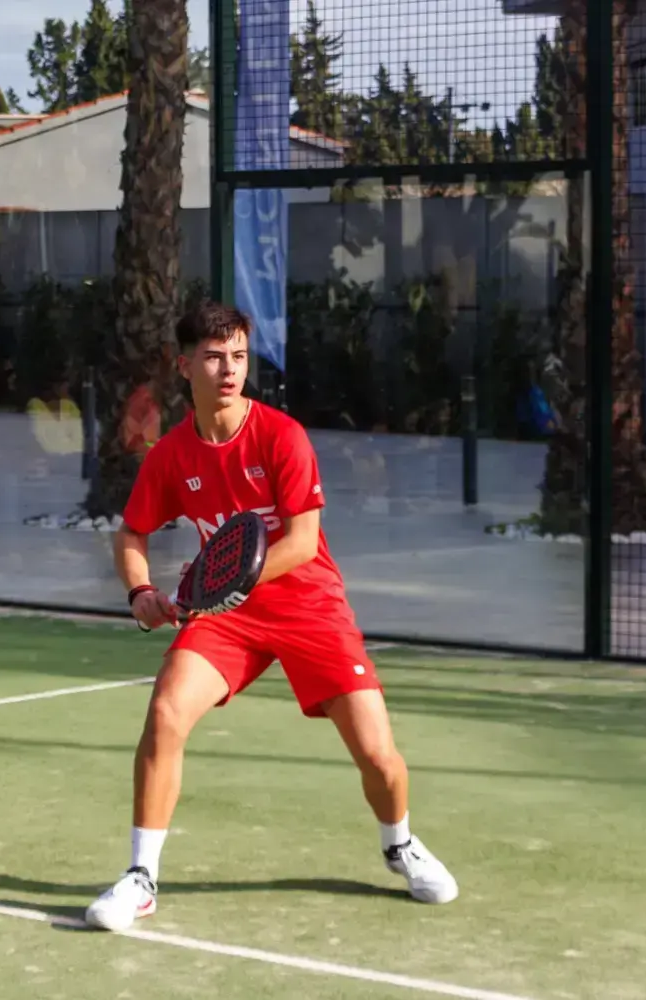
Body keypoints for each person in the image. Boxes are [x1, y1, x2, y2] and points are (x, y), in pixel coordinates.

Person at [83, 302, 457, 933]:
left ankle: (399, 844)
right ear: (184, 366)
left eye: (238, 356)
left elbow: (303, 543)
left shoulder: (281, 436)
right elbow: (131, 534)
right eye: (212, 356)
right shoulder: (171, 455)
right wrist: (140, 591)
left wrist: (220, 583)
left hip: (311, 608)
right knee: (168, 711)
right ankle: (141, 877)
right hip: (228, 620)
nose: (229, 370)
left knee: (379, 757)